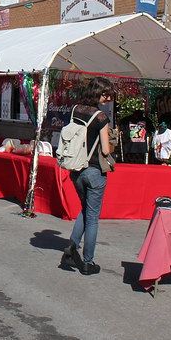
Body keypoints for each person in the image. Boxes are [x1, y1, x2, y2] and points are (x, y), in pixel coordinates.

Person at [61, 76, 115, 276]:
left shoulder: (76, 110)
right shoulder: (101, 118)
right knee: (92, 218)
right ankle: (87, 262)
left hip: (76, 169)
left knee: (85, 210)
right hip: (93, 171)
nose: (108, 99)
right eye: (106, 95)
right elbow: (106, 150)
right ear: (97, 93)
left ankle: (72, 246)